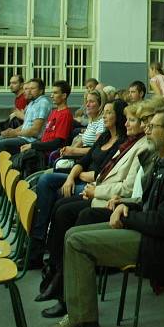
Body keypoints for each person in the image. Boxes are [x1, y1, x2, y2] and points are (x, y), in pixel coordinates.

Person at [44, 107, 164, 327]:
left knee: (77, 242)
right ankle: (77, 313)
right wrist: (126, 205)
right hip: (148, 233)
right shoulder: (163, 162)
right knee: (72, 234)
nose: (147, 130)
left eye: (152, 126)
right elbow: (149, 205)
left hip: (162, 246)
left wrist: (126, 217)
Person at [37, 101, 155, 314]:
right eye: (128, 119)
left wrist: (95, 190)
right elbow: (107, 172)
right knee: (62, 207)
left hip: (118, 204)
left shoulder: (143, 147)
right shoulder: (130, 143)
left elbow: (128, 189)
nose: (127, 124)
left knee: (77, 213)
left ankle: (65, 287)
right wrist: (94, 186)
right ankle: (56, 270)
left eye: (133, 120)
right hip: (103, 193)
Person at [31, 100, 127, 262]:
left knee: (53, 193)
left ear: (118, 116)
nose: (104, 116)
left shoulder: (121, 143)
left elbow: (100, 174)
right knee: (46, 179)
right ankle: (39, 239)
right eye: (104, 112)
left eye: (109, 112)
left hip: (93, 185)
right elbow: (83, 161)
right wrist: (70, 177)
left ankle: (42, 244)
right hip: (81, 177)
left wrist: (78, 175)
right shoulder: (104, 137)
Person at [0, 78, 51, 169]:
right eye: (27, 88)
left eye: (32, 89)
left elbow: (35, 131)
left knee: (1, 144)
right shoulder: (32, 103)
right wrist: (12, 131)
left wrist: (15, 133)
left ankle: (1, 178)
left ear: (41, 91)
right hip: (24, 136)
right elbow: (26, 124)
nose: (28, 91)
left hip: (31, 140)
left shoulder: (42, 103)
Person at [17, 80, 74, 158]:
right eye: (52, 93)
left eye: (55, 93)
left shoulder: (65, 115)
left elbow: (57, 143)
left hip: (47, 153)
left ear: (64, 96)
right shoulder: (54, 112)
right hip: (41, 148)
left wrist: (33, 145)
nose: (51, 96)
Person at [56, 90, 107, 160]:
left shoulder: (101, 123)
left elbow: (96, 149)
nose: (87, 105)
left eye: (91, 102)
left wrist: (73, 151)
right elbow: (83, 141)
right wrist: (69, 149)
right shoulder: (93, 121)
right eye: (87, 101)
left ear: (100, 105)